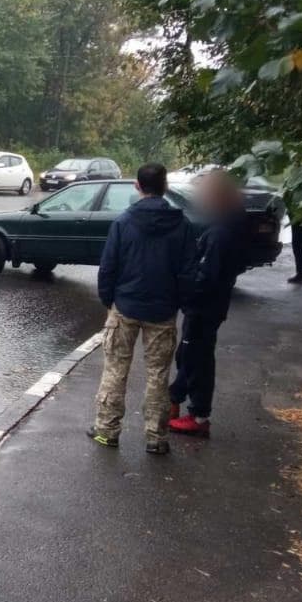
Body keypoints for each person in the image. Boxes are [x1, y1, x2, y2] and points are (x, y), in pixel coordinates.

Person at [88, 163, 198, 455]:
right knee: (158, 374)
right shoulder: (182, 225)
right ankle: (156, 437)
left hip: (125, 306)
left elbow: (108, 267)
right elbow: (188, 272)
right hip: (162, 311)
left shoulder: (124, 222)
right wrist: (182, 304)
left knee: (115, 370)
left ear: (137, 186)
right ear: (166, 187)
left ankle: (107, 431)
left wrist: (109, 300)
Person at [168, 171, 249, 438]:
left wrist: (185, 292)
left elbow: (206, 276)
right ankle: (181, 403)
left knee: (196, 359)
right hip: (210, 306)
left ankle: (199, 416)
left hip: (204, 308)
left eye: (204, 193)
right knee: (190, 356)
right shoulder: (230, 224)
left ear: (216, 197)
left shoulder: (220, 232)